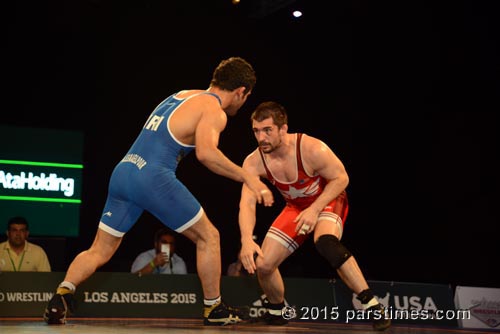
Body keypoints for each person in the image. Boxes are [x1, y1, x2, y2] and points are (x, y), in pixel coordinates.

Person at [43, 57, 274, 326]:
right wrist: (249, 178)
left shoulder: (180, 95)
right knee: (209, 237)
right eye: (245, 97)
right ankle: (214, 309)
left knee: (100, 249)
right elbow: (207, 153)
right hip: (152, 177)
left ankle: (62, 293)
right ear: (240, 92)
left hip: (123, 171)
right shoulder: (214, 111)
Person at [237, 101, 391, 331]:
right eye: (256, 131)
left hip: (328, 199)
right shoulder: (253, 162)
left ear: (283, 129)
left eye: (267, 130)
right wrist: (246, 239)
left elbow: (341, 178)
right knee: (264, 265)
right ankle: (277, 312)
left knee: (326, 242)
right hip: (296, 207)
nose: (261, 138)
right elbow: (247, 203)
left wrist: (315, 209)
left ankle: (372, 305)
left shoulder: (311, 148)